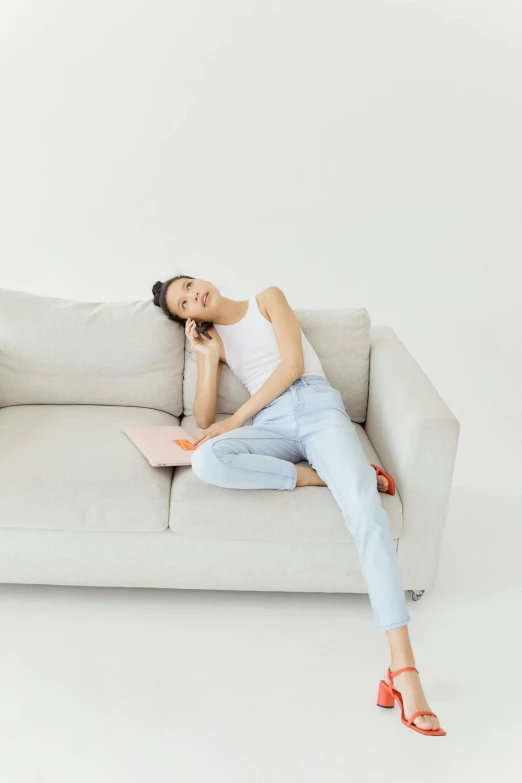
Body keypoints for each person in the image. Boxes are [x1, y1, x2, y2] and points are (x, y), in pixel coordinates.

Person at [151, 275, 446, 736]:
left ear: (203, 276)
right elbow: (205, 421)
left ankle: (402, 669)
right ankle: (318, 476)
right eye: (184, 304)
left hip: (316, 409)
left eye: (190, 285)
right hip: (272, 425)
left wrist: (239, 418)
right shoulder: (218, 342)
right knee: (207, 458)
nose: (194, 296)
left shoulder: (267, 299)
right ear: (189, 319)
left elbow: (291, 365)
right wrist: (208, 358)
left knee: (367, 516)